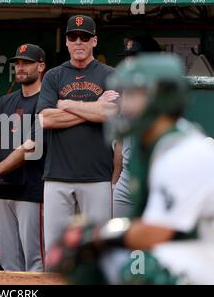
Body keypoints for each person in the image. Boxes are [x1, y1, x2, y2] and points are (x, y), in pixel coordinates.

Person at [48, 54, 214, 284]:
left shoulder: (183, 154)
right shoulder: (158, 146)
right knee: (117, 266)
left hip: (203, 266)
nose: (125, 105)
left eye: (134, 95)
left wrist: (99, 236)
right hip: (192, 254)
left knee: (138, 272)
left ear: (161, 99)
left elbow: (156, 232)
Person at [36, 15, 119, 254]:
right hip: (57, 176)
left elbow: (110, 113)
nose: (78, 41)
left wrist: (65, 104)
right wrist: (94, 106)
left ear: (94, 41)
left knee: (99, 250)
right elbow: (46, 119)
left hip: (97, 176)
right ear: (66, 41)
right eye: (73, 37)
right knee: (56, 252)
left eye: (84, 37)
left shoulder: (109, 74)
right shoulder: (54, 75)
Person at [0, 43, 46, 271]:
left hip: (33, 190)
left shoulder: (46, 101)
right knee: (9, 263)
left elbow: (30, 147)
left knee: (35, 263)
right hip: (4, 191)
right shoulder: (5, 101)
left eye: (27, 63)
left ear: (41, 66)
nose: (21, 67)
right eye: (18, 63)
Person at [112, 34, 163, 218]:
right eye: (128, 56)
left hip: (156, 174)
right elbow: (120, 140)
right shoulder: (125, 87)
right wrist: (115, 181)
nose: (129, 61)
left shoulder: (164, 87)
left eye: (135, 56)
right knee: (117, 240)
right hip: (127, 175)